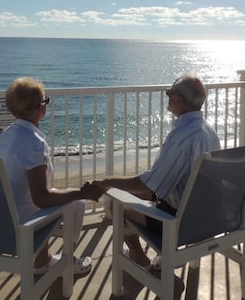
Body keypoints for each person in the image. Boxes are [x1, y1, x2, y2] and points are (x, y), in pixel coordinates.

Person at [93, 74, 221, 269]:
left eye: (169, 93)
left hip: (179, 223)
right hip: (208, 216)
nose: (167, 96)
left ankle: (138, 257)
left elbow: (148, 183)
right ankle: (165, 254)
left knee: (113, 201)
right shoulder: (208, 130)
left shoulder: (183, 137)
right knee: (140, 194)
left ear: (179, 100)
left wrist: (108, 182)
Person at [0, 77, 103, 275]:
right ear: (39, 109)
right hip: (21, 217)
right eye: (46, 101)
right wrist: (82, 193)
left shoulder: (7, 134)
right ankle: (66, 261)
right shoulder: (33, 143)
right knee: (78, 205)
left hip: (1, 210)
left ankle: (43, 260)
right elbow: (42, 198)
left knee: (61, 196)